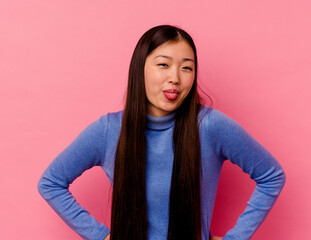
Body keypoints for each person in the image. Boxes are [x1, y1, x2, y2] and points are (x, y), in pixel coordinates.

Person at [38, 25, 286, 240]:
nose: (175, 78)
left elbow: (271, 175)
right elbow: (51, 183)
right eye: (163, 65)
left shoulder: (209, 126)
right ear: (140, 69)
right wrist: (98, 235)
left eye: (186, 68)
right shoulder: (109, 130)